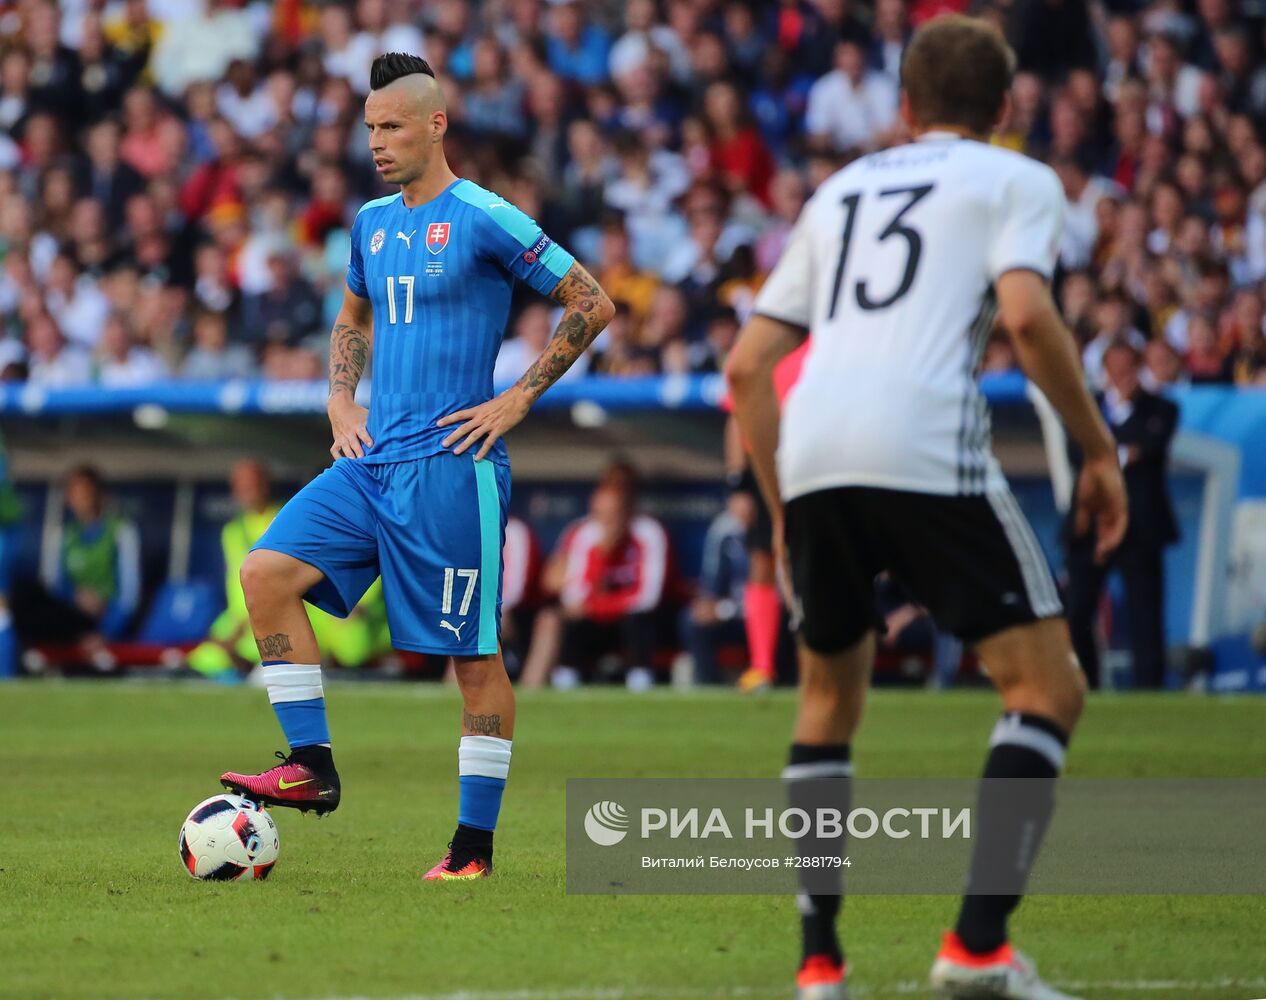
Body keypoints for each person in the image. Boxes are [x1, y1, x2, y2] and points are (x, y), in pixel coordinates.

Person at [727, 17, 1127, 1000]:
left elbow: (747, 368)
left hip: (815, 442)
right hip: (923, 440)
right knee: (1048, 689)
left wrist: (784, 509)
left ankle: (820, 964)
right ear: (1004, 111)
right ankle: (977, 946)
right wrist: (1097, 448)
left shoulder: (839, 190)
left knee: (828, 701)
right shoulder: (1015, 179)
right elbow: (1027, 315)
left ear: (903, 109)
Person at [217, 53, 614, 882]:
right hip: (371, 458)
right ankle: (311, 766)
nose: (377, 143)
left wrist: (516, 401)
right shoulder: (369, 222)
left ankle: (472, 851)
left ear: (437, 124)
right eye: (369, 129)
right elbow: (352, 315)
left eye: (391, 126)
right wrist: (339, 400)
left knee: (473, 664)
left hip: (450, 466)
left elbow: (591, 300)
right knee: (265, 575)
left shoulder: (485, 217)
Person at [1065, 340, 1179, 690]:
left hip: (1140, 526)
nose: (1121, 376)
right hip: (1093, 524)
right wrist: (1122, 452)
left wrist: (1105, 454)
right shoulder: (1088, 407)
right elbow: (1076, 451)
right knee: (1077, 610)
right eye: (1115, 368)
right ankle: (1089, 683)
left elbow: (1151, 445)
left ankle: (1149, 689)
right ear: (1105, 371)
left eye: (1128, 367)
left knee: (1145, 611)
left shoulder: (1161, 407)